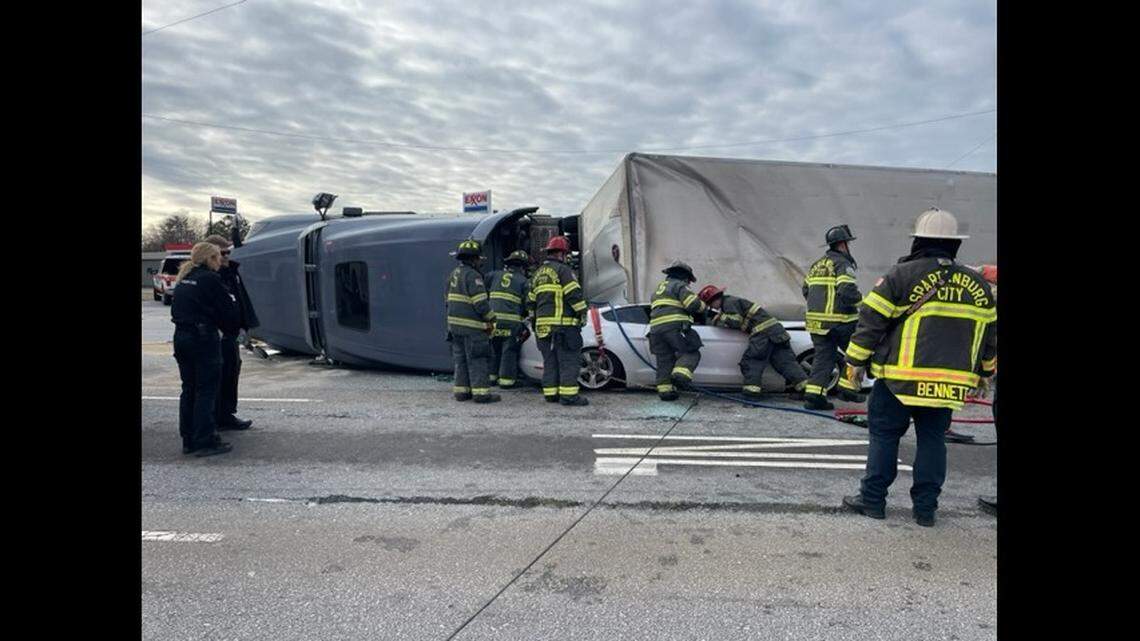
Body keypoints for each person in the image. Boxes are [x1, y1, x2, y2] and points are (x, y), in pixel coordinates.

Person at [840, 208, 997, 527]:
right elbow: (990, 336)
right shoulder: (978, 285)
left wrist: (854, 364)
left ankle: (872, 501)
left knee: (884, 437)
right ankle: (925, 510)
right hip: (948, 385)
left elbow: (870, 323)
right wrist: (985, 372)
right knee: (932, 441)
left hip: (899, 379)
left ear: (918, 240)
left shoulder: (902, 275)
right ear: (954, 244)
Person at [170, 242, 241, 457]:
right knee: (206, 390)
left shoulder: (184, 279)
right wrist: (230, 329)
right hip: (203, 338)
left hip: (182, 336)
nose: (221, 261)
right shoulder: (210, 279)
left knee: (189, 388)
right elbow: (227, 311)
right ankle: (205, 439)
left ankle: (188, 438)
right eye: (218, 257)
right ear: (209, 259)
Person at [698, 285, 808, 399]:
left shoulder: (728, 303)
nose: (712, 307)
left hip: (763, 334)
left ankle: (752, 393)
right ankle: (806, 391)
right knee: (786, 363)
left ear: (714, 300)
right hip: (777, 332)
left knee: (751, 362)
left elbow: (736, 321)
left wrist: (718, 317)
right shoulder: (733, 301)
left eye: (710, 304)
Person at [802, 225, 867, 410]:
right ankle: (848, 389)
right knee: (858, 352)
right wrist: (862, 303)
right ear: (842, 244)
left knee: (823, 359)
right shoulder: (842, 263)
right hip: (840, 321)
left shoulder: (817, 265)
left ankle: (814, 397)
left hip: (817, 324)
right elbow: (847, 291)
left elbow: (806, 290)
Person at [204, 234, 260, 430]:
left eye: (228, 252)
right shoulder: (211, 277)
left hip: (231, 334)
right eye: (223, 252)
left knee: (231, 371)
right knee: (218, 375)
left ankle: (226, 413)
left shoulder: (231, 272)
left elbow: (241, 300)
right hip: (217, 335)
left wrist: (246, 325)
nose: (227, 256)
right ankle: (215, 416)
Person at [527, 235, 589, 406]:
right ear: (562, 254)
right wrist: (583, 312)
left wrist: (535, 322)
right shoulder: (564, 271)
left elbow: (530, 302)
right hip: (563, 327)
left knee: (550, 361)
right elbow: (573, 294)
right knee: (569, 360)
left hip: (542, 328)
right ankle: (569, 396)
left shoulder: (537, 274)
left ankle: (551, 394)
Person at [446, 239, 500, 403]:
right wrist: (492, 318)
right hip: (473, 329)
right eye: (478, 259)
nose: (480, 262)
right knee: (478, 360)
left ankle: (462, 392)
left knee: (460, 360)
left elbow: (446, 300)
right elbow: (480, 303)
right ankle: (481, 394)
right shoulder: (473, 276)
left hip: (454, 327)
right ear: (474, 259)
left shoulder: (453, 274)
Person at [648, 260, 707, 401]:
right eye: (689, 280)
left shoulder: (657, 290)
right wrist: (704, 307)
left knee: (664, 361)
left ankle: (665, 392)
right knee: (691, 352)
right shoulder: (680, 286)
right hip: (674, 327)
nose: (689, 283)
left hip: (655, 330)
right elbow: (692, 304)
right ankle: (680, 377)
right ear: (685, 277)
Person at [487, 250, 532, 389]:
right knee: (509, 351)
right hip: (512, 323)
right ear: (523, 267)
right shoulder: (524, 281)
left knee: (494, 349)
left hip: (493, 321)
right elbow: (528, 303)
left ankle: (491, 378)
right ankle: (507, 381)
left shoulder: (493, 275)